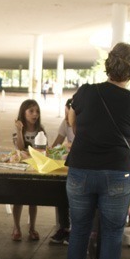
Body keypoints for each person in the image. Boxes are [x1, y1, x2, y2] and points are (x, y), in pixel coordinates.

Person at [64, 42, 130, 259]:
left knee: (79, 229)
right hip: (117, 172)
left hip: (81, 168)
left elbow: (73, 123)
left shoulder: (86, 92)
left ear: (108, 64)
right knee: (112, 233)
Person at [12, 99, 44, 241]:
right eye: (31, 111)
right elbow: (20, 148)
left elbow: (43, 149)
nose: (35, 114)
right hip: (21, 168)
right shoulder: (18, 130)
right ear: (23, 113)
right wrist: (19, 130)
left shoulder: (40, 130)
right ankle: (16, 227)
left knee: (33, 199)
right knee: (18, 199)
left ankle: (32, 227)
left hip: (34, 168)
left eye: (37, 111)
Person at [49, 98, 76, 246]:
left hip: (81, 169)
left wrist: (69, 146)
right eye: (65, 114)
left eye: (69, 114)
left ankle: (75, 231)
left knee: (75, 197)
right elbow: (56, 145)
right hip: (66, 166)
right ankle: (64, 227)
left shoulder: (85, 124)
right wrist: (50, 150)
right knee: (60, 190)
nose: (66, 118)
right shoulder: (65, 123)